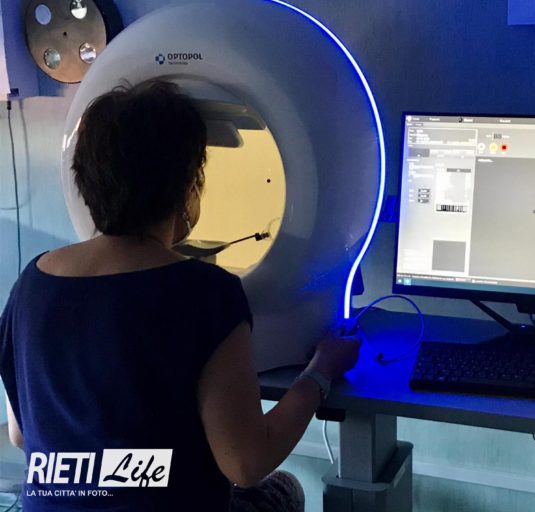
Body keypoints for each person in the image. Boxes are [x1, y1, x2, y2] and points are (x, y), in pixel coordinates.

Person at [0, 80, 360, 511]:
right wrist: (321, 372)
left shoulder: (31, 283)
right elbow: (246, 463)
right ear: (189, 185)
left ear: (85, 180)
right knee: (283, 489)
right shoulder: (205, 294)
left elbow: (20, 435)